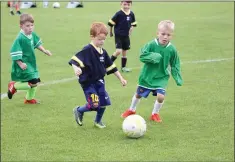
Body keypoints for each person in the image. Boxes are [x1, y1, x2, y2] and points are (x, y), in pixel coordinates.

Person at [121, 20, 183, 122]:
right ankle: (132, 109)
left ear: (172, 36)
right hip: (147, 76)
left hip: (161, 77)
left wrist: (177, 77)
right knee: (138, 94)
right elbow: (142, 55)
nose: (165, 37)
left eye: (168, 35)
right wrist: (153, 56)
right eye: (163, 34)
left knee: (161, 97)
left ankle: (155, 113)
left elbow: (175, 63)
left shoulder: (172, 49)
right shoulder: (151, 44)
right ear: (157, 33)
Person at [69, 22, 127, 129]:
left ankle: (98, 121)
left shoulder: (103, 52)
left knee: (103, 103)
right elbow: (74, 60)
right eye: (99, 39)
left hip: (99, 82)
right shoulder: (87, 49)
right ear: (92, 37)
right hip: (88, 83)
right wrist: (76, 68)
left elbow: (112, 66)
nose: (102, 42)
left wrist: (121, 78)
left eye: (104, 39)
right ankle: (78, 110)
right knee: (94, 104)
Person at [7, 13, 52, 104]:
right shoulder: (20, 38)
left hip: (31, 63)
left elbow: (37, 44)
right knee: (33, 82)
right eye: (27, 26)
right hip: (23, 65)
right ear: (21, 26)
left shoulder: (31, 35)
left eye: (32, 25)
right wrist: (20, 64)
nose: (30, 27)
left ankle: (29, 99)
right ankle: (14, 86)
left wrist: (44, 50)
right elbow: (14, 52)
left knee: (35, 80)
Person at [108, 0, 137, 72]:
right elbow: (111, 23)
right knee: (118, 51)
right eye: (124, 4)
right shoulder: (119, 14)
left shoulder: (131, 14)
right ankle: (107, 64)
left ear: (131, 5)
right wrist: (111, 32)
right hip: (118, 35)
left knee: (124, 51)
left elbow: (133, 23)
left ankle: (123, 67)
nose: (126, 6)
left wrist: (131, 29)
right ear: (121, 4)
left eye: (128, 4)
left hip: (126, 36)